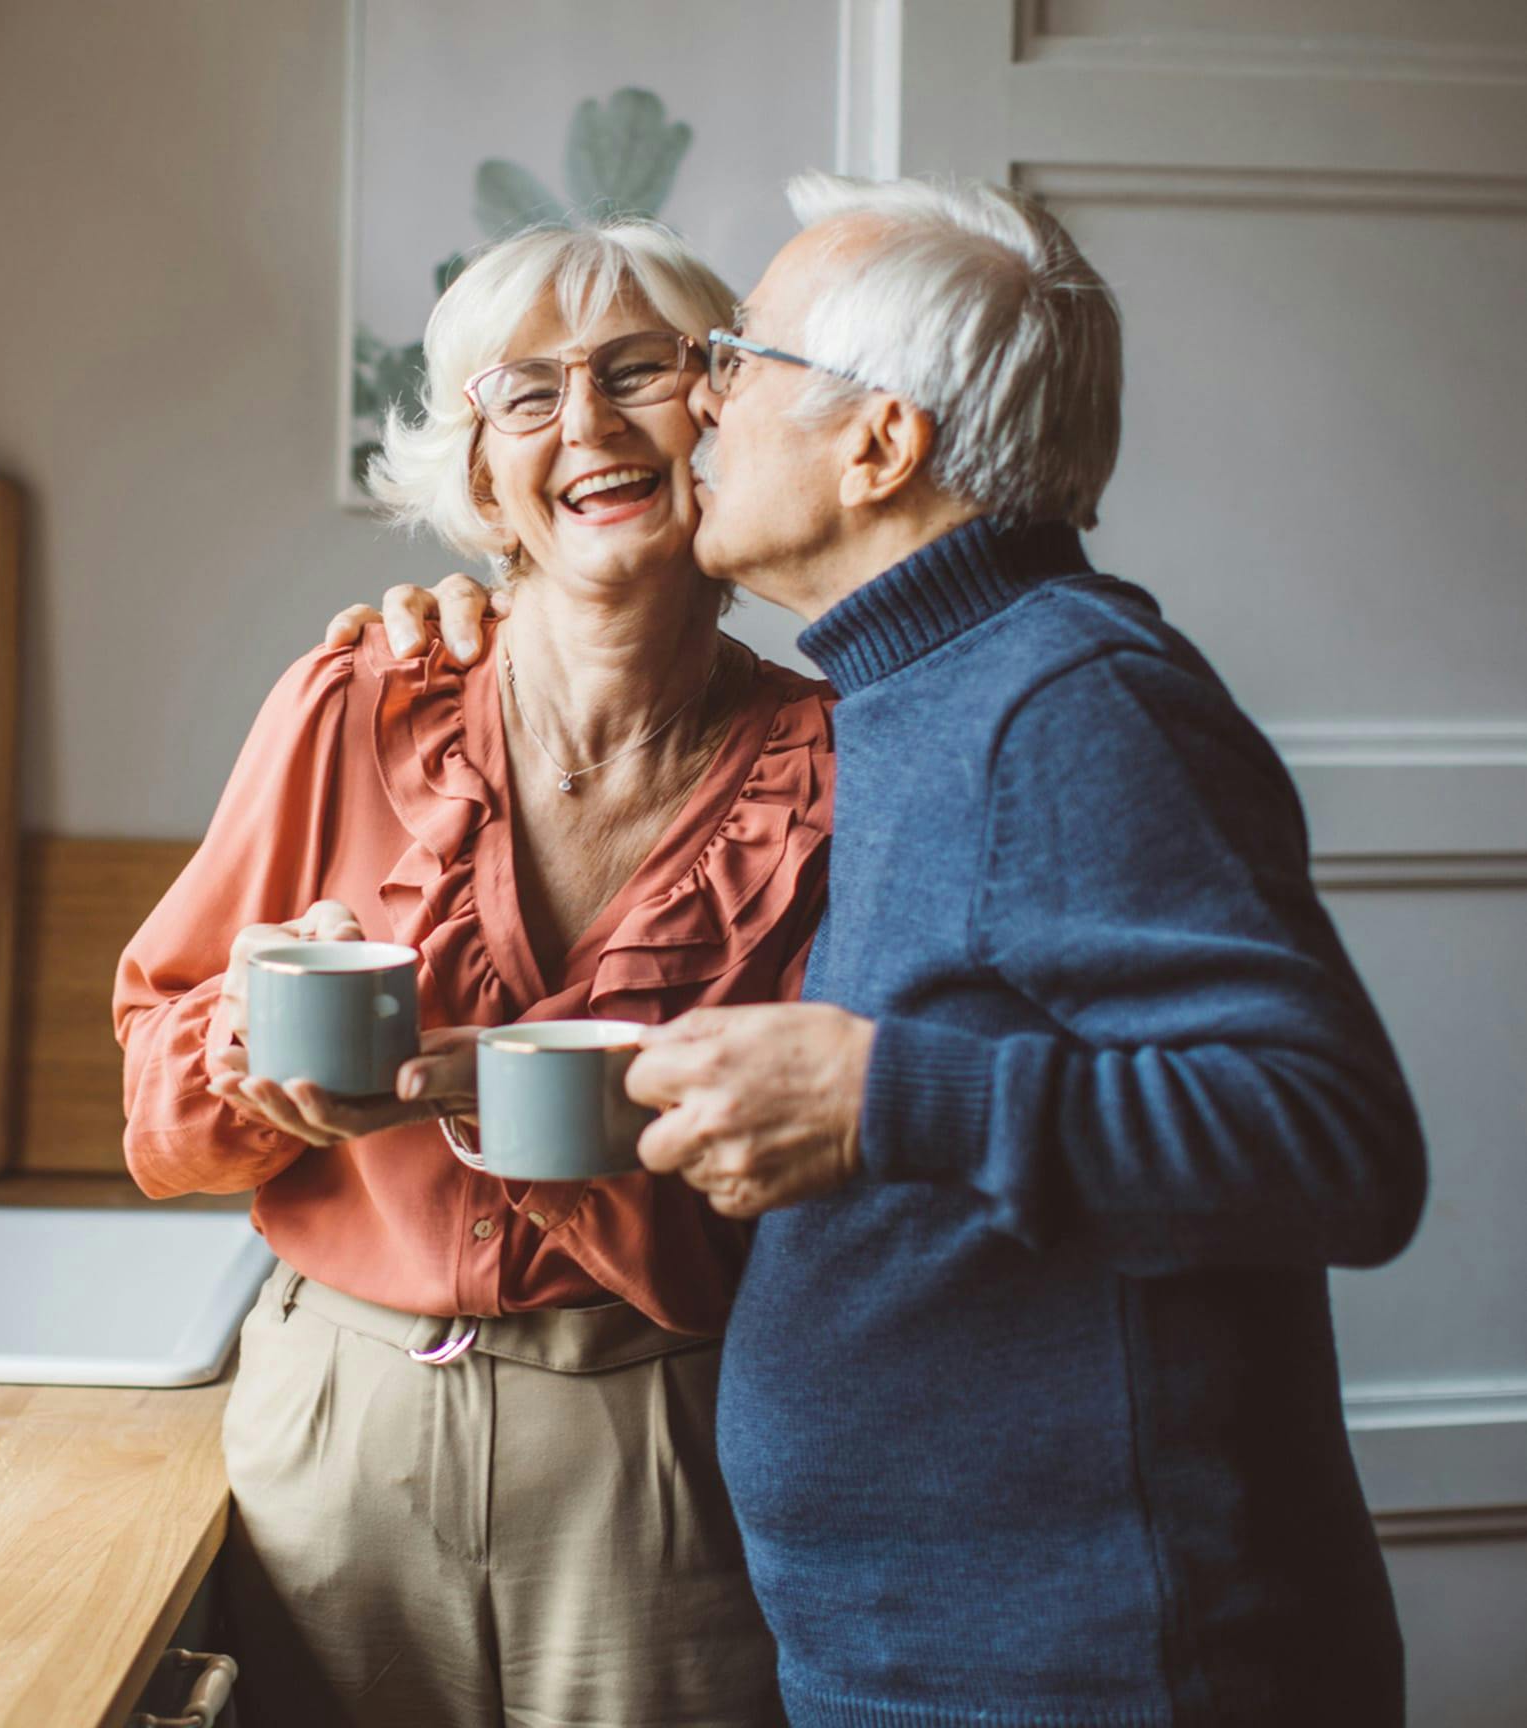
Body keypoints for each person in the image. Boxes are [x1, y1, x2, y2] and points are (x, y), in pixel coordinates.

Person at [340, 174, 1428, 1728]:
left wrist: (880, 1101)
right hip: (947, 1648)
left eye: (739, 362)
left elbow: (1334, 1145)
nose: (699, 404)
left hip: (1089, 1668)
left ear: (878, 441)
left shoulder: (1067, 701)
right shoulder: (921, 692)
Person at [113, 217, 834, 1728]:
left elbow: (857, 1169)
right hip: (341, 1427)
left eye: (638, 369)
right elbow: (155, 1108)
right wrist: (247, 1053)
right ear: (482, 474)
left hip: (665, 1432)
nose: (585, 423)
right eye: (525, 393)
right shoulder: (355, 698)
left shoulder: (832, 771)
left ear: (718, 414)